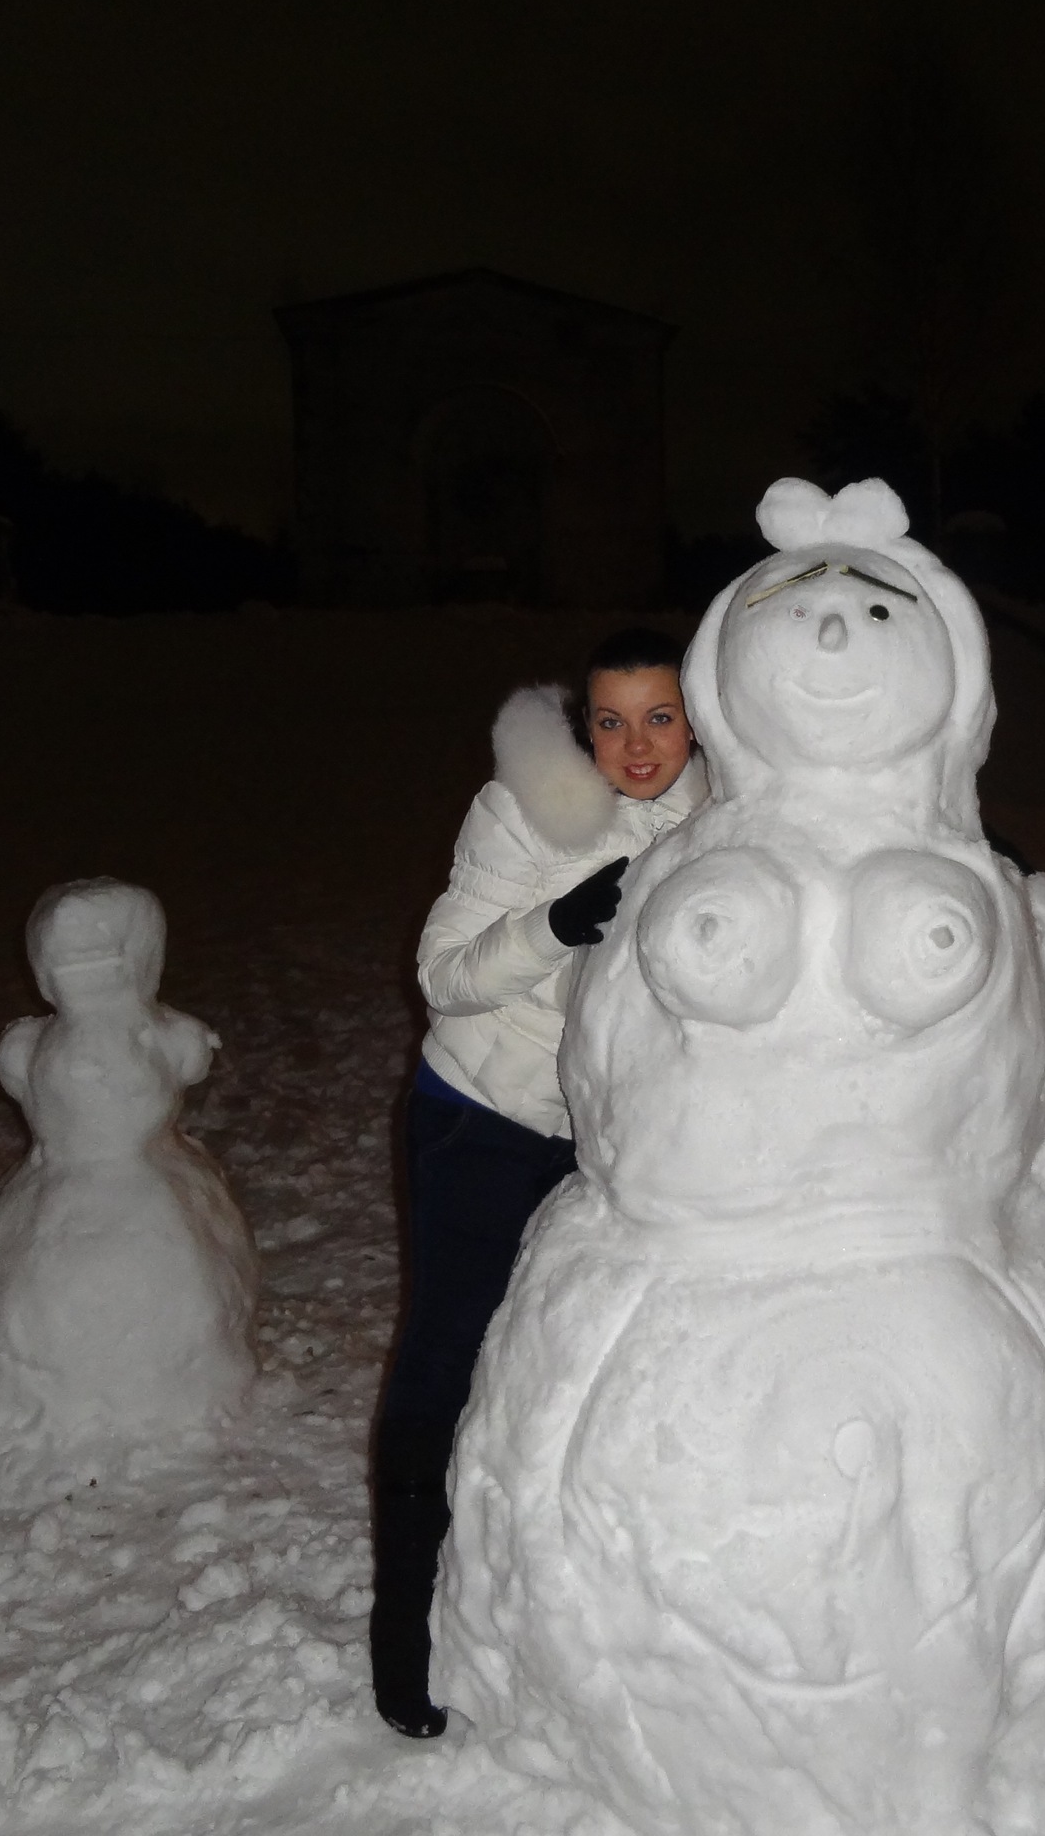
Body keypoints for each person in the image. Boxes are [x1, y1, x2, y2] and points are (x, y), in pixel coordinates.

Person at [371, 626, 703, 1738]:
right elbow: (441, 975)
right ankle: (404, 1633)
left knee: (579, 1368)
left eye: (660, 717)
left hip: (606, 1135)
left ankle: (551, 1605)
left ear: (698, 719)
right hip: (481, 1116)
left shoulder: (724, 815)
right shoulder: (524, 810)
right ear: (581, 729)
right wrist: (554, 926)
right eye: (610, 721)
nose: (637, 746)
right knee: (450, 1350)